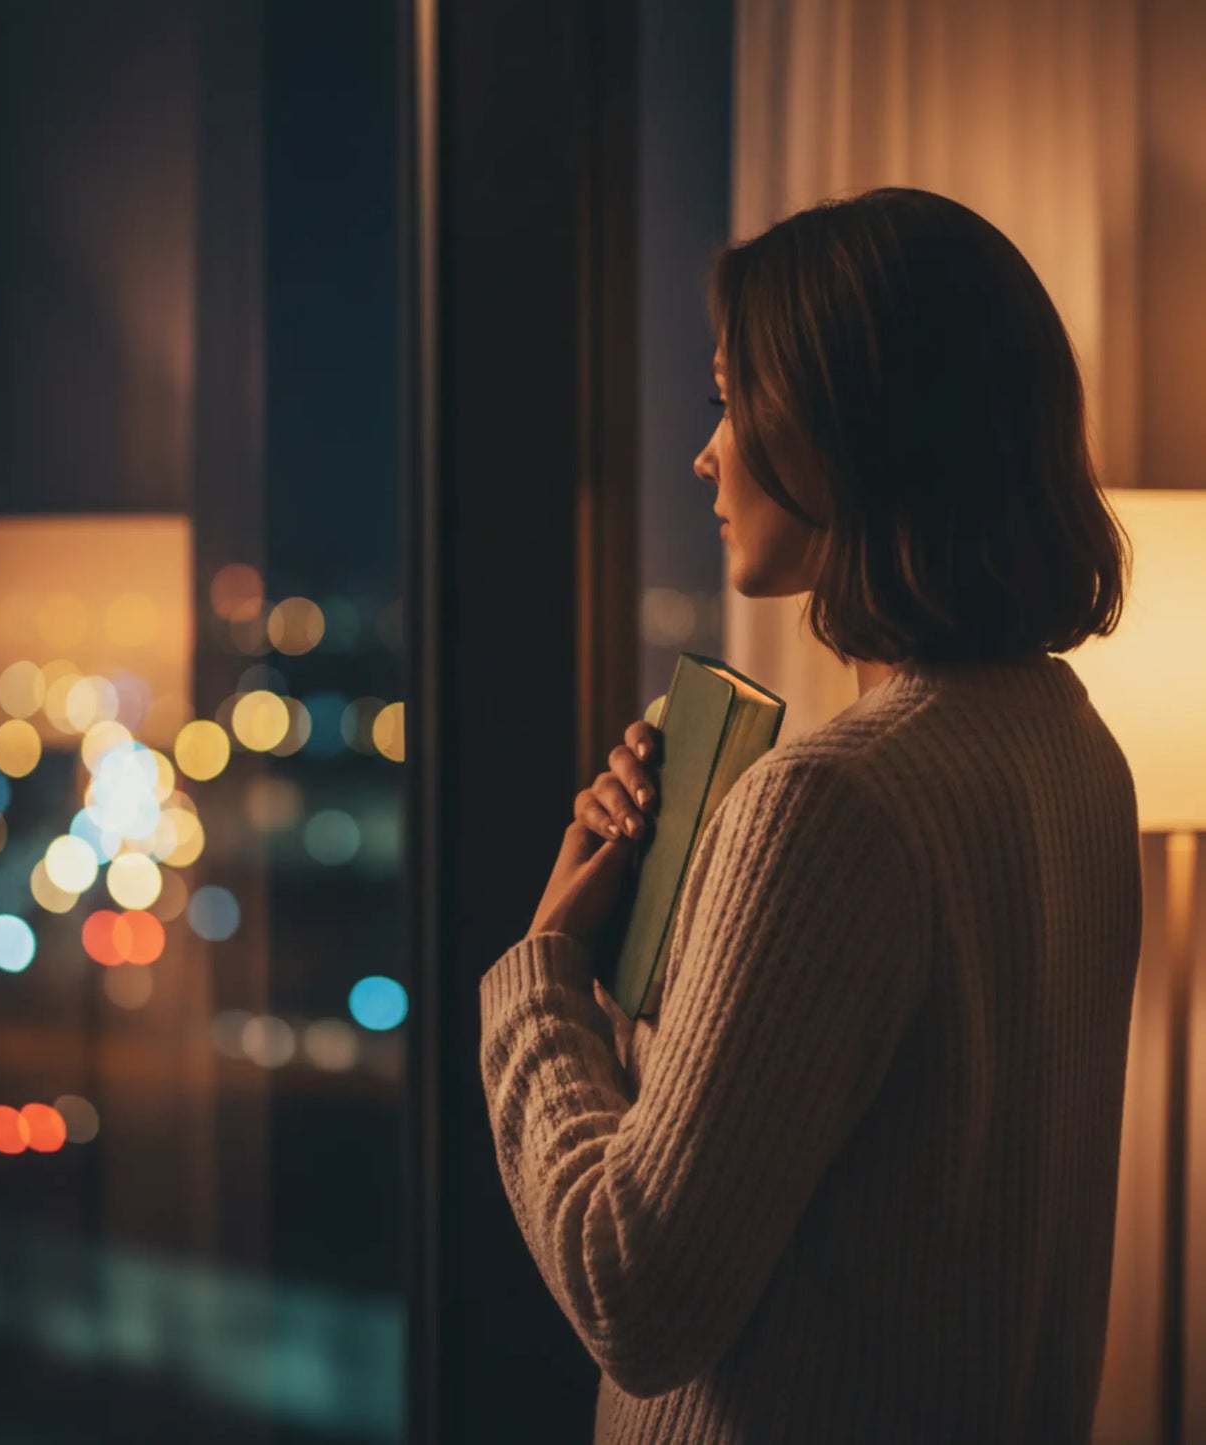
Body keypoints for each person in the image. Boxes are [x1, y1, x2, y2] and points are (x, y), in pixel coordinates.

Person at [478, 185, 1141, 1443]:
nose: (705, 454)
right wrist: (675, 930)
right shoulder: (1073, 750)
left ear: (845, 424)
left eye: (730, 399)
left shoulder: (825, 806)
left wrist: (543, 975)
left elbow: (633, 1291)